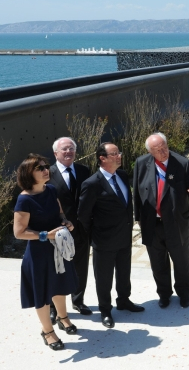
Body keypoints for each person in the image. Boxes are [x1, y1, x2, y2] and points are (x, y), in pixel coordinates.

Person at [13, 154, 79, 351]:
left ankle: (63, 317)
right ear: (28, 174)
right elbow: (19, 232)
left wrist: (64, 221)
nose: (45, 170)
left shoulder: (50, 189)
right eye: (40, 168)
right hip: (38, 254)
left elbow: (59, 212)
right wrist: (45, 235)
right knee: (41, 294)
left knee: (59, 285)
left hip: (57, 249)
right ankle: (47, 331)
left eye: (46, 166)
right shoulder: (24, 200)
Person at [78, 142, 144, 329]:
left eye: (118, 152)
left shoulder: (122, 175)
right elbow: (83, 216)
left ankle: (124, 300)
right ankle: (105, 310)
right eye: (114, 153)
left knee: (124, 272)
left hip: (124, 236)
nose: (119, 156)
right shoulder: (91, 184)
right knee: (104, 277)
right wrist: (96, 235)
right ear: (102, 158)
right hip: (104, 240)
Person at [133, 133, 189, 309]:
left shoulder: (182, 163)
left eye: (164, 147)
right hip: (152, 223)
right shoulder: (142, 163)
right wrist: (139, 219)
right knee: (157, 262)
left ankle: (184, 292)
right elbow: (137, 195)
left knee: (182, 260)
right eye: (158, 150)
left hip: (177, 222)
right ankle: (164, 294)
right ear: (150, 152)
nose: (163, 152)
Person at [48, 137, 92, 323]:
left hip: (81, 228)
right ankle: (53, 307)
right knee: (56, 269)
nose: (68, 152)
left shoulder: (84, 171)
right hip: (57, 230)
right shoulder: (47, 173)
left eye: (71, 149)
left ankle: (78, 300)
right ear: (55, 153)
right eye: (64, 149)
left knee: (81, 267)